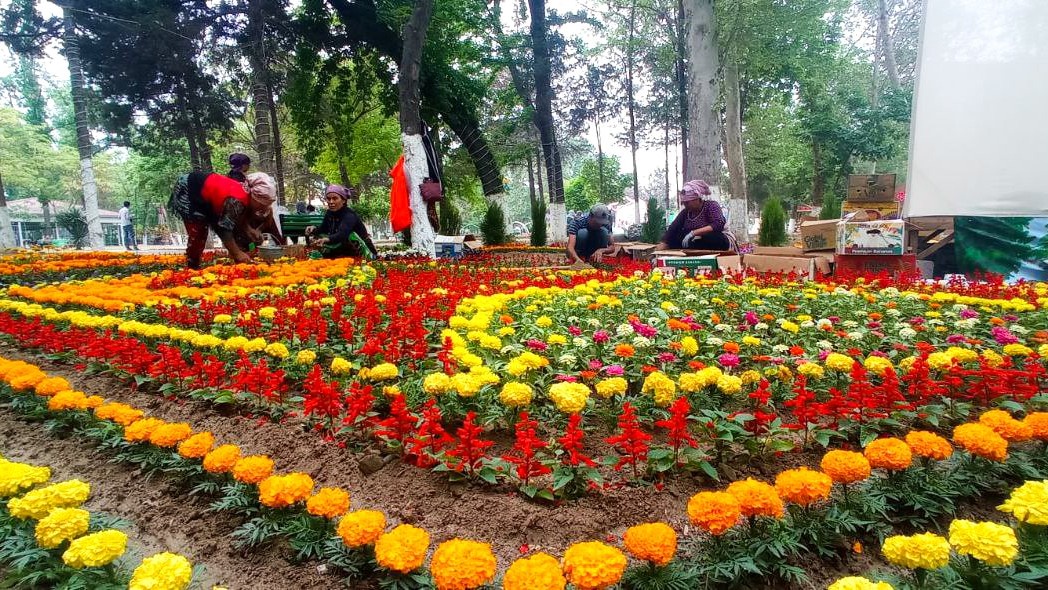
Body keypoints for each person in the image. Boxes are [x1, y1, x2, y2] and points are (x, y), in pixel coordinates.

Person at [168, 171, 280, 269]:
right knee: (199, 231)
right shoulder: (236, 200)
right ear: (255, 198)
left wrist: (248, 229)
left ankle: (195, 263)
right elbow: (224, 229)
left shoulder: (245, 197)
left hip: (205, 191)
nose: (264, 208)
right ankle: (192, 265)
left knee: (209, 228)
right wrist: (237, 253)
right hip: (190, 188)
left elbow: (236, 218)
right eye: (263, 204)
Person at [305, 185, 377, 259]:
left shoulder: (349, 215)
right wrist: (313, 229)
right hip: (343, 250)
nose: (331, 202)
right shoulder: (329, 213)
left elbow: (342, 234)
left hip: (363, 252)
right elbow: (323, 229)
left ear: (343, 200)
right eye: (328, 199)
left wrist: (326, 239)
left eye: (335, 198)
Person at [657, 180, 732, 251]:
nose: (685, 205)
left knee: (711, 238)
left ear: (697, 199)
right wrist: (664, 242)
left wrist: (694, 233)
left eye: (687, 203)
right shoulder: (685, 212)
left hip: (716, 239)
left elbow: (718, 224)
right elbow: (673, 227)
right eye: (684, 203)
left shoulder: (711, 206)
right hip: (695, 241)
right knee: (676, 237)